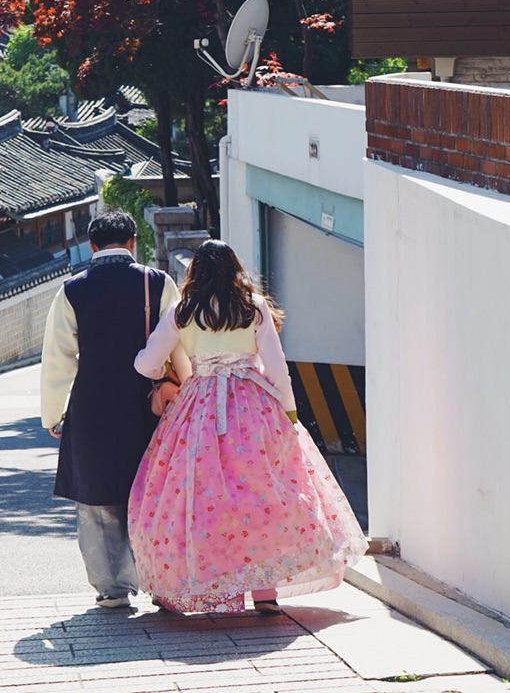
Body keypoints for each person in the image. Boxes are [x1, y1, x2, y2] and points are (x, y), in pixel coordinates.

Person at [128, 239, 366, 615]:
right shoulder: (252, 308)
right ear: (235, 269)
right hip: (254, 407)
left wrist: (164, 372)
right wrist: (289, 412)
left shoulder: (182, 311)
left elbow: (145, 364)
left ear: (195, 272)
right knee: (262, 494)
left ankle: (185, 585)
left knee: (198, 499)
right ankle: (265, 592)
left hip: (199, 409)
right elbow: (277, 366)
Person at [40, 210, 181, 610]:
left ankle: (112, 588)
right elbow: (178, 343)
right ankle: (159, 579)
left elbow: (58, 358)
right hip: (147, 402)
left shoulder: (72, 290)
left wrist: (53, 413)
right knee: (152, 492)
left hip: (93, 404)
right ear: (133, 242)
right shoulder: (158, 282)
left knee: (99, 499)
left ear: (92, 245)